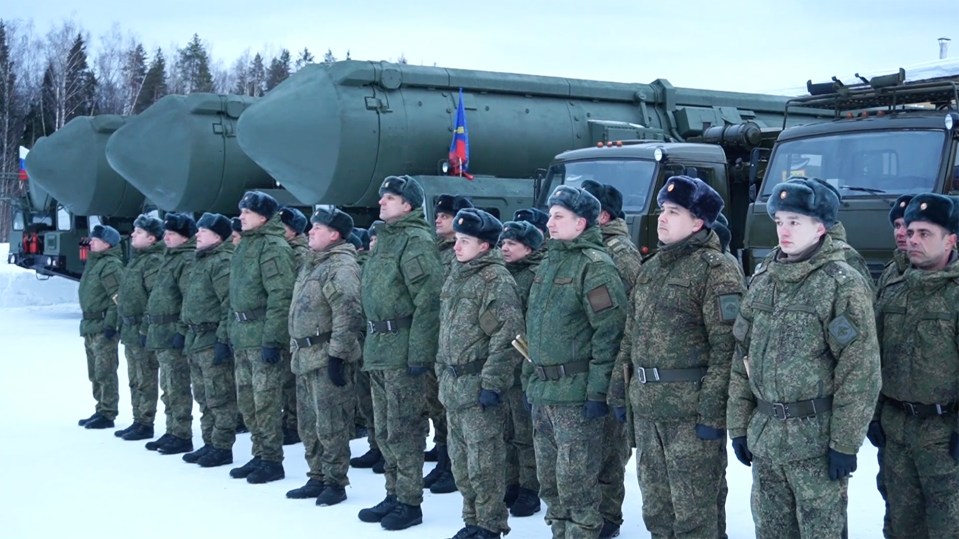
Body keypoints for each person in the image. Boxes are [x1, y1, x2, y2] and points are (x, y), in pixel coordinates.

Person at [727, 177, 881, 538]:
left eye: (795, 222)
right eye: (780, 221)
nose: (784, 230)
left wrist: (844, 443)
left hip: (815, 442)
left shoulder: (840, 283)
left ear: (821, 226)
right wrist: (739, 425)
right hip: (766, 439)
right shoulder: (765, 277)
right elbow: (741, 355)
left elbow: (860, 370)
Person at [609, 176, 745, 538]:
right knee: (657, 509)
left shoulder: (715, 269)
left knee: (695, 513)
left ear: (698, 221)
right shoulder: (651, 269)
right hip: (650, 410)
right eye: (662, 211)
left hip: (690, 414)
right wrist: (619, 392)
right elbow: (630, 336)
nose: (662, 219)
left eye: (673, 212)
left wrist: (713, 414)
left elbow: (727, 349)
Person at [525, 185, 627, 538]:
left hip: (576, 394)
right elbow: (534, 327)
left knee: (577, 484)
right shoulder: (549, 262)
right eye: (550, 215)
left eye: (558, 217)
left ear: (581, 223)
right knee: (550, 482)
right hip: (545, 392)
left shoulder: (595, 267)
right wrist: (531, 378)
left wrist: (598, 393)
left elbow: (609, 333)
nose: (549, 223)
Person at [357, 175, 443, 531]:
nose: (381, 203)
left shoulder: (415, 240)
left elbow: (428, 301)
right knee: (384, 429)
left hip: (402, 348)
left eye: (390, 198)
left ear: (408, 205)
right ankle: (393, 492)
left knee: (405, 429)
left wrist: (419, 354)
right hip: (379, 347)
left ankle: (409, 501)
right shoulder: (386, 240)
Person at [872, 193, 959, 538]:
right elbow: (874, 357)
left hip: (944, 435)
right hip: (897, 430)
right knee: (900, 525)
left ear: (951, 240)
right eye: (911, 232)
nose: (913, 240)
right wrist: (876, 415)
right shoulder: (893, 286)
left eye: (925, 234)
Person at [439, 208, 524, 539]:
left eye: (465, 241)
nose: (457, 247)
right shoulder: (457, 276)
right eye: (457, 240)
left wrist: (492, 382)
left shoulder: (496, 281)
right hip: (454, 385)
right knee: (460, 461)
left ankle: (490, 524)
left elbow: (509, 335)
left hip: (477, 387)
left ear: (485, 246)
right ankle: (472, 519)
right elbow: (445, 330)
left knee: (484, 463)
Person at [285, 207, 362, 506]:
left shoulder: (339, 266)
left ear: (335, 234)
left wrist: (338, 356)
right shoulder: (312, 264)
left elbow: (348, 311)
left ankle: (335, 481)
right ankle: (316, 475)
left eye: (317, 228)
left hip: (325, 354)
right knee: (308, 422)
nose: (310, 232)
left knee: (331, 424)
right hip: (304, 355)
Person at [582, 179, 642, 538]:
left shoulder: (619, 252)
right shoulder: (590, 250)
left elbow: (630, 313)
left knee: (609, 446)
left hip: (612, 363)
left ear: (601, 215)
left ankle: (609, 516)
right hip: (591, 364)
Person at [228, 191, 295, 485]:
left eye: (247, 212)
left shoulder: (272, 247)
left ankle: (271, 459)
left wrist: (272, 339)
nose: (240, 216)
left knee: (265, 401)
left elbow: (280, 296)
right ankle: (258, 453)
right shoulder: (247, 245)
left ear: (263, 218)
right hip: (243, 335)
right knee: (247, 402)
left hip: (261, 335)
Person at [866, 194, 912, 537]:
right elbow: (876, 350)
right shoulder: (889, 278)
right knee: (894, 505)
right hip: (895, 418)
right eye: (896, 225)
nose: (902, 232)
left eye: (909, 225)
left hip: (941, 423)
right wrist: (875, 414)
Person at [424, 193, 474, 494]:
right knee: (437, 404)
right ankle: (444, 458)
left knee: (450, 410)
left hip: (457, 345)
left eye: (446, 214)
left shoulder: (463, 256)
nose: (439, 218)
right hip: (439, 342)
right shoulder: (439, 251)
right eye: (439, 214)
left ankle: (452, 467)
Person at [180, 213, 238, 468]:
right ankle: (209, 442)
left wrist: (223, 339)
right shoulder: (201, 261)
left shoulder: (221, 262)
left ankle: (222, 446)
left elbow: (229, 303)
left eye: (202, 231)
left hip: (211, 337)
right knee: (203, 395)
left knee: (219, 396)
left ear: (216, 236)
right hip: (196, 338)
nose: (197, 235)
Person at [499, 219, 545, 518]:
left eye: (511, 244)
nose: (504, 248)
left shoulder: (535, 276)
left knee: (526, 432)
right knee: (506, 430)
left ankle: (531, 487)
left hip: (524, 364)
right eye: (502, 243)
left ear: (528, 248)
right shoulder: (501, 275)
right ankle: (512, 482)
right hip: (502, 365)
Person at [143, 213, 197, 455]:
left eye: (171, 234)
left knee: (177, 386)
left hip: (173, 331)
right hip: (161, 333)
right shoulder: (169, 258)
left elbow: (188, 299)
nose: (166, 238)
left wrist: (182, 330)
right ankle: (172, 429)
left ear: (184, 238)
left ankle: (181, 433)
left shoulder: (186, 261)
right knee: (168, 384)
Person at [114, 215, 165, 441]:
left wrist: (145, 328)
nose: (132, 234)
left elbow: (154, 298)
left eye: (139, 232)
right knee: (134, 377)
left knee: (145, 377)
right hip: (129, 330)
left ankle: (145, 422)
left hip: (141, 330)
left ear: (152, 238)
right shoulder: (137, 260)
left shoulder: (153, 262)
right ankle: (138, 419)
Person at [76, 224, 124, 430]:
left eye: (95, 240)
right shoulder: (94, 263)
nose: (90, 242)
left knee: (105, 371)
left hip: (103, 326)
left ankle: (108, 412)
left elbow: (118, 298)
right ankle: (100, 408)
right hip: (90, 325)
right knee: (94, 372)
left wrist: (110, 325)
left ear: (107, 244)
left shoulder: (110, 265)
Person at [279, 205, 309, 446]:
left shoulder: (298, 254)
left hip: (294, 322)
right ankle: (289, 420)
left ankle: (292, 422)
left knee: (291, 380)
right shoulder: (285, 251)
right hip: (286, 322)